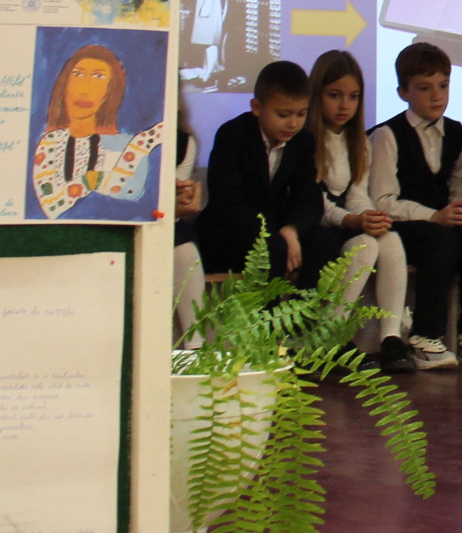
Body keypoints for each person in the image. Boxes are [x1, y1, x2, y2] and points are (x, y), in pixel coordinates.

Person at [369, 41, 462, 369]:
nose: (437, 96)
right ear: (403, 92)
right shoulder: (387, 135)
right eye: (424, 88)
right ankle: (425, 337)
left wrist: (461, 211)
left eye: (443, 86)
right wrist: (435, 216)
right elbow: (382, 201)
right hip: (401, 226)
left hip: (441, 222)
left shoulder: (457, 132)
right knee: (439, 241)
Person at [308, 48, 416, 373]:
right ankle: (332, 335)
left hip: (346, 222)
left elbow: (356, 194)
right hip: (317, 227)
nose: (344, 105)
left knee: (389, 238)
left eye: (353, 97)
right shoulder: (307, 141)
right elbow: (315, 202)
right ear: (317, 95)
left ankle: (391, 338)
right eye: (334, 95)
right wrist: (354, 220)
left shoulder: (358, 142)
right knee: (365, 245)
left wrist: (370, 216)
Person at [197, 59, 329, 280]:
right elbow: (226, 202)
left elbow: (309, 200)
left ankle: (306, 303)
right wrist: (274, 233)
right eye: (284, 115)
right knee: (272, 247)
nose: (293, 124)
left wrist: (292, 229)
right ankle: (269, 304)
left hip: (277, 227)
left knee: (324, 241)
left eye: (301, 114)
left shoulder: (302, 140)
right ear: (257, 107)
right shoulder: (232, 135)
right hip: (231, 230)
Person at [31, 43, 164, 217]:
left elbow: (132, 192)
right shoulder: (50, 142)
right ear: (64, 84)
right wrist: (90, 180)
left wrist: (142, 143)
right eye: (78, 74)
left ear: (110, 91)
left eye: (98, 77)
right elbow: (50, 205)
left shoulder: (125, 145)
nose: (85, 88)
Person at [172, 82, 205, 342]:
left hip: (166, 225)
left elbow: (176, 200)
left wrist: (181, 201)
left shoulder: (183, 142)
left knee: (184, 249)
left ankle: (196, 347)